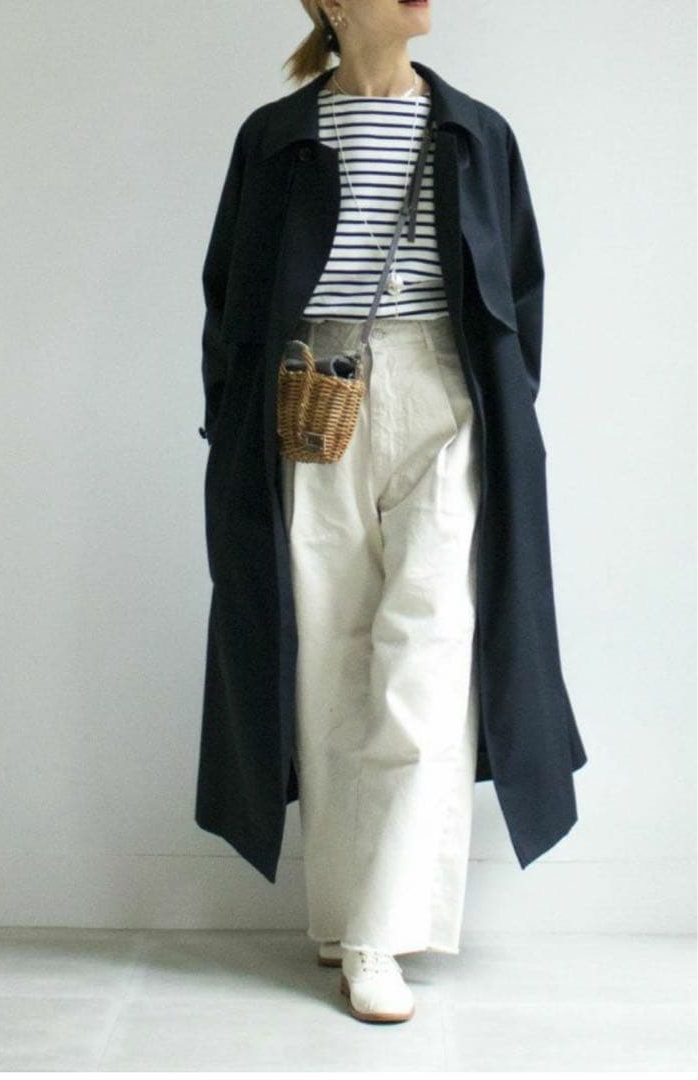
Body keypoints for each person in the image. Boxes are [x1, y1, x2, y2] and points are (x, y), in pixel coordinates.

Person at [195, 0, 588, 1027]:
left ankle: (378, 932)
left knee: (428, 658)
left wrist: (501, 408)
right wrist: (231, 426)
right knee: (325, 658)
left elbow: (521, 287)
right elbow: (228, 293)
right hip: (309, 394)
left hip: (443, 396)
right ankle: (342, 918)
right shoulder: (276, 134)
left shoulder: (474, 130)